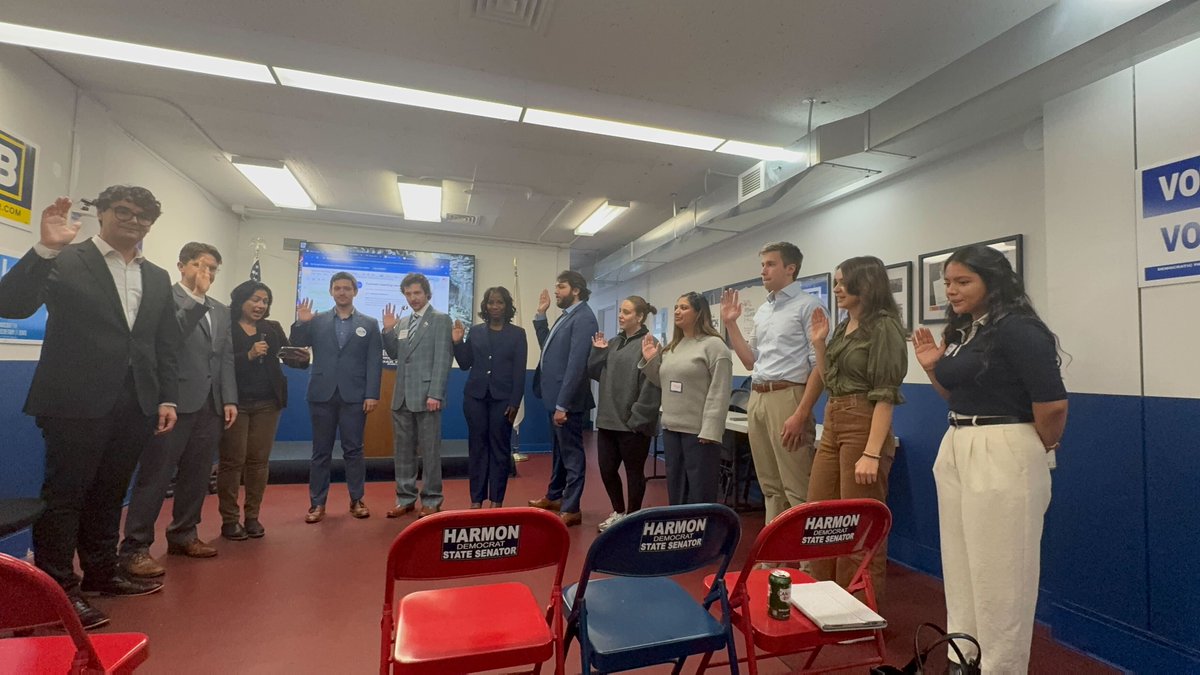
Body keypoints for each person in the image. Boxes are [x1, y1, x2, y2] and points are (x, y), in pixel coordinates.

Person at [0, 188, 179, 629]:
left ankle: (102, 573)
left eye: (144, 218)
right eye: (125, 212)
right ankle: (59, 590)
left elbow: (162, 343)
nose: (134, 222)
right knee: (66, 496)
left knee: (109, 493)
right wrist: (44, 248)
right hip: (74, 401)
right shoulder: (66, 258)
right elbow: (11, 304)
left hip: (135, 402)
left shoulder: (155, 276)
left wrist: (166, 397)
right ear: (102, 214)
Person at [912, 244, 1067, 673]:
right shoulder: (970, 331)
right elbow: (960, 395)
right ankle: (964, 655)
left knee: (1003, 573)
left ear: (993, 281)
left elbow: (1052, 407)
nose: (952, 291)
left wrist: (1038, 448)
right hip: (960, 440)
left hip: (1004, 445)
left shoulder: (1020, 329)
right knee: (962, 566)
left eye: (963, 282)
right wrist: (932, 367)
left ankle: (1002, 666)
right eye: (948, 282)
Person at [120, 243, 238, 578]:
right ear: (181, 266)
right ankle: (135, 547)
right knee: (156, 476)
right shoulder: (163, 301)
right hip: (173, 403)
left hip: (211, 404)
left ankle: (184, 534)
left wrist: (228, 398)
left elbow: (224, 357)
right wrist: (196, 298)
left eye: (214, 268)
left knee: (198, 476)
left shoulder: (221, 309)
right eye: (201, 265)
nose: (208, 273)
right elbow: (167, 344)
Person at [804, 257, 907, 600]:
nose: (836, 289)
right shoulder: (844, 325)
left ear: (865, 284)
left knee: (858, 522)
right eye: (835, 282)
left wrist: (872, 452)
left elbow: (886, 395)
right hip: (833, 418)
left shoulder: (884, 327)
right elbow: (831, 379)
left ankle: (858, 608)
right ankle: (823, 595)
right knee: (820, 514)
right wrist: (819, 343)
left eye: (842, 282)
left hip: (863, 422)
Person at [721, 242, 826, 524]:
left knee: (797, 487)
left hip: (788, 396)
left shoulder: (809, 306)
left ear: (790, 269)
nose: (763, 270)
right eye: (763, 265)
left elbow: (819, 368)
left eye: (770, 264)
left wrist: (801, 413)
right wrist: (731, 325)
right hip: (758, 396)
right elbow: (750, 361)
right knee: (770, 486)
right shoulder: (764, 311)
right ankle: (772, 561)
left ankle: (807, 565)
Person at [217, 279, 309, 541]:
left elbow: (287, 357)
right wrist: (248, 355)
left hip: (268, 403)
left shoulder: (271, 328)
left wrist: (301, 360)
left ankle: (252, 516)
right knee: (232, 462)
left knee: (258, 462)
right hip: (235, 403)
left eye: (265, 301)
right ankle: (230, 520)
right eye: (255, 299)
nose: (260, 305)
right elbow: (219, 365)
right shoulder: (226, 328)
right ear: (241, 300)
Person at [290, 272, 382, 524]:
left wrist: (372, 394)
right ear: (331, 291)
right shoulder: (316, 320)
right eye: (338, 288)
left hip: (355, 396)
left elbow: (374, 362)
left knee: (354, 450)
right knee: (321, 452)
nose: (342, 292)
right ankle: (317, 504)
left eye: (347, 288)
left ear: (355, 292)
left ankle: (357, 500)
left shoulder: (370, 323)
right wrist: (301, 323)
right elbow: (296, 345)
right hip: (321, 393)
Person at [639, 292, 732, 505]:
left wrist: (711, 429)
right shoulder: (673, 346)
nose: (677, 311)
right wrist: (651, 359)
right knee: (676, 486)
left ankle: (703, 534)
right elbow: (661, 381)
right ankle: (679, 531)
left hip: (699, 432)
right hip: (672, 428)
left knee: (700, 490)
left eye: (684, 307)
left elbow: (719, 391)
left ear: (699, 313)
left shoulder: (714, 346)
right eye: (676, 307)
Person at [527, 270, 598, 527]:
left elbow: (577, 365)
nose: (556, 291)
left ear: (576, 290)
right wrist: (541, 315)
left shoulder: (585, 318)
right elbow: (548, 345)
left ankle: (572, 507)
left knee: (572, 455)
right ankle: (554, 496)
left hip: (566, 401)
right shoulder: (567, 316)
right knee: (559, 452)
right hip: (553, 397)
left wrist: (562, 404)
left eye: (561, 287)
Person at [588, 296, 662, 531]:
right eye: (620, 311)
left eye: (627, 312)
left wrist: (637, 419)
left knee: (633, 473)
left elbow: (653, 383)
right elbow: (593, 372)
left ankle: (632, 517)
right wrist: (598, 352)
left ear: (639, 317)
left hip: (633, 423)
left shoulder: (650, 343)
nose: (621, 315)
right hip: (608, 420)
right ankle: (618, 512)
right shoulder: (613, 342)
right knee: (607, 470)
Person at [382, 273, 453, 518]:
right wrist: (388, 330)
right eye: (408, 294)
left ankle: (432, 499)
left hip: (427, 397)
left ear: (427, 294)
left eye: (417, 293)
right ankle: (405, 498)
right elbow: (394, 355)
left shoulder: (441, 320)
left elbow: (443, 359)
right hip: (401, 396)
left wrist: (436, 393)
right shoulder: (402, 323)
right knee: (402, 452)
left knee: (430, 452)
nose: (413, 298)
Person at [452, 286, 527, 509]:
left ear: (507, 306)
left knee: (499, 449)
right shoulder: (475, 332)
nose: (495, 306)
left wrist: (515, 402)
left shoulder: (517, 333)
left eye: (500, 302)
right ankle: (476, 500)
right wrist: (457, 342)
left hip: (503, 400)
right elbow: (465, 364)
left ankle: (497, 500)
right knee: (477, 449)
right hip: (475, 398)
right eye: (491, 302)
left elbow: (519, 372)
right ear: (485, 306)